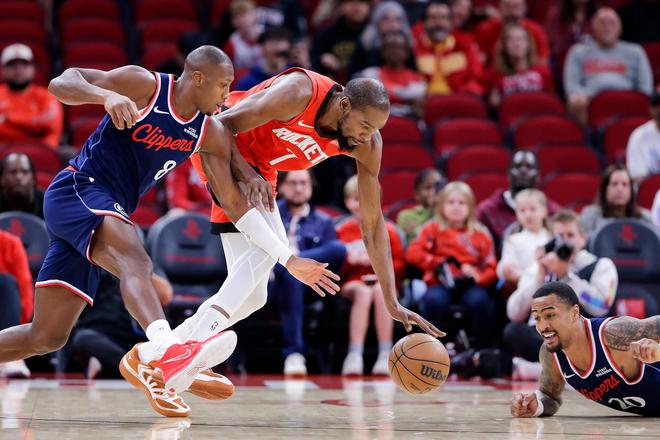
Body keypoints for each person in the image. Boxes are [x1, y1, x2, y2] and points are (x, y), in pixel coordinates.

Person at [0, 46, 337, 418]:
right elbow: (62, 82)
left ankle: (166, 356)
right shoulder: (145, 85)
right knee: (136, 261)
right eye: (223, 85)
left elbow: (233, 202)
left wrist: (280, 247)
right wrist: (105, 96)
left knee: (46, 336)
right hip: (79, 189)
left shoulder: (209, 130)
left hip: (101, 210)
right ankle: (166, 351)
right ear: (198, 78)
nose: (228, 95)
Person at [174, 67, 444, 397]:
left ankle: (159, 351)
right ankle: (181, 354)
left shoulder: (366, 143)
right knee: (267, 255)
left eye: (376, 129)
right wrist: (246, 174)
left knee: (255, 296)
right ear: (344, 105)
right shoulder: (299, 93)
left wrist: (391, 299)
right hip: (220, 143)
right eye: (365, 125)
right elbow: (218, 126)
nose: (368, 135)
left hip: (261, 166)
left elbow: (373, 225)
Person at [510, 282, 660, 417]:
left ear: (574, 313)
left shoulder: (614, 333)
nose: (543, 326)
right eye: (537, 318)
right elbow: (550, 397)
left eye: (550, 315)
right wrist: (537, 406)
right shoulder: (551, 354)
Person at [505, 210, 618, 379]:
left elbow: (601, 306)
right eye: (559, 236)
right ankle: (562, 370)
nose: (565, 241)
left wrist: (567, 276)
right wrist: (539, 277)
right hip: (547, 337)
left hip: (582, 337)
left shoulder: (601, 265)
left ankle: (546, 370)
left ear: (583, 238)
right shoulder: (540, 267)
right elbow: (514, 313)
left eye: (570, 235)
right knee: (513, 331)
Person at [270, 170, 346, 375]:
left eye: (304, 183)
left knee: (338, 248)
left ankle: (291, 262)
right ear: (281, 186)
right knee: (289, 275)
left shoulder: (323, 221)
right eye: (293, 183)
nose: (299, 188)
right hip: (271, 282)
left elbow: (332, 256)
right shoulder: (270, 214)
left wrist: (296, 261)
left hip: (309, 285)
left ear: (311, 187)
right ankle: (294, 352)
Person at [406, 181, 497, 348]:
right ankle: (433, 350)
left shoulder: (481, 233)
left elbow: (492, 267)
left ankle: (482, 351)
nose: (456, 207)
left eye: (462, 203)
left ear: (470, 207)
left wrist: (478, 276)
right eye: (451, 202)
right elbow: (412, 253)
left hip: (470, 284)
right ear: (441, 206)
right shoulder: (431, 228)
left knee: (481, 301)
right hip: (440, 282)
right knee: (432, 301)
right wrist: (439, 263)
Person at [337, 175, 405, 375]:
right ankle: (354, 355)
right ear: (347, 202)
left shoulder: (388, 230)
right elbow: (335, 266)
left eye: (368, 198)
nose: (362, 204)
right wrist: (350, 261)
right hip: (353, 281)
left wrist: (379, 266)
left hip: (384, 282)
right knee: (364, 293)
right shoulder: (342, 231)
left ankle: (385, 354)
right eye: (356, 199)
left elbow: (400, 264)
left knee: (380, 292)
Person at [564, 7, 653, 126]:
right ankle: (584, 136)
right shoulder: (578, 51)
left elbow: (645, 88)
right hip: (590, 100)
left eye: (611, 23)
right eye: (602, 23)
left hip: (627, 99)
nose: (607, 27)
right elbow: (572, 86)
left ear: (620, 28)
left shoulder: (635, 51)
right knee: (576, 101)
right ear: (592, 27)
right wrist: (586, 95)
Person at [477, 150, 560, 247]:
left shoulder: (552, 212)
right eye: (518, 166)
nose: (523, 171)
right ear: (508, 174)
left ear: (538, 175)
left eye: (529, 167)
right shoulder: (487, 211)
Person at [0, 44, 64, 150]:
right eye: (12, 65)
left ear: (32, 69)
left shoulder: (46, 95)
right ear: (3, 70)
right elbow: (43, 125)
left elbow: (51, 124)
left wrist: (8, 118)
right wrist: (32, 130)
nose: (19, 70)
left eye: (24, 65)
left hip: (42, 151)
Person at [412, 1, 484, 96]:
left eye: (443, 18)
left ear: (450, 22)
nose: (438, 23)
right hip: (424, 101)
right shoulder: (415, 48)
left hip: (457, 99)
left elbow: (476, 77)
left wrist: (461, 95)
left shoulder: (465, 45)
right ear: (424, 23)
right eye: (433, 18)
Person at [355, 31, 427, 119]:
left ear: (407, 52)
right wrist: (405, 98)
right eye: (390, 47)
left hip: (408, 120)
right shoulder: (369, 74)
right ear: (382, 51)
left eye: (399, 47)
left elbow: (418, 103)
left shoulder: (417, 78)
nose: (394, 51)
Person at [486, 23, 554, 108]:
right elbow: (494, 103)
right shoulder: (496, 74)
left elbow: (551, 100)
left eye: (520, 39)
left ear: (528, 45)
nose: (516, 44)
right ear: (504, 46)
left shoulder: (542, 71)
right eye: (511, 40)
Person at [497, 189, 552, 288]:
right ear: (516, 214)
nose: (528, 214)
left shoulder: (552, 237)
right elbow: (509, 270)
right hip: (526, 288)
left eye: (533, 209)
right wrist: (532, 280)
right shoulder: (513, 240)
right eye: (522, 210)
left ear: (544, 211)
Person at [580, 164, 653, 237]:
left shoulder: (644, 218)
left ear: (631, 191)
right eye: (614, 184)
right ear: (604, 189)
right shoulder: (591, 215)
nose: (620, 189)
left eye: (625, 184)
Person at [347, 1, 413, 78]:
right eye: (385, 18)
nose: (391, 23)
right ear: (377, 21)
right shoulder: (366, 44)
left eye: (397, 19)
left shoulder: (407, 44)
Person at [474, 0, 550, 66]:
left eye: (516, 7)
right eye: (507, 6)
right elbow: (479, 59)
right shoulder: (485, 29)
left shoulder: (536, 30)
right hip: (494, 75)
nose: (512, 12)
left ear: (524, 9)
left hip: (526, 73)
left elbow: (543, 59)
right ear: (499, 8)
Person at [0, 230, 33, 378]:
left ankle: (10, 355)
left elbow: (25, 295)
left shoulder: (11, 244)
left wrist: (18, 333)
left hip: (5, 323)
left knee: (6, 282)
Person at [311, 0, 371, 82]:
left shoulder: (376, 34)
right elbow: (314, 57)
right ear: (342, 6)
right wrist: (322, 59)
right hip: (332, 83)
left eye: (362, 2)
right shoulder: (328, 32)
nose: (356, 7)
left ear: (369, 7)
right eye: (351, 2)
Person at [235, 27, 292, 91]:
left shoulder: (296, 75)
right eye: (272, 42)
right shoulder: (248, 83)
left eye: (281, 41)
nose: (277, 47)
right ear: (262, 48)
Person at [396, 168, 443, 243]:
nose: (433, 191)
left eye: (437, 187)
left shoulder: (450, 213)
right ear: (417, 193)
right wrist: (432, 206)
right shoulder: (406, 215)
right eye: (428, 187)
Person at [626, 92, 660, 184]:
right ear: (651, 109)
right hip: (649, 189)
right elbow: (638, 178)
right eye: (656, 105)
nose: (659, 109)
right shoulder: (639, 136)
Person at [222, 0, 264, 71]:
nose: (242, 20)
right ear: (232, 21)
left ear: (255, 15)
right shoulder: (231, 44)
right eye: (237, 16)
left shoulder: (268, 35)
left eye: (245, 15)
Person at [0, 153, 45, 219]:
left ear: (33, 178)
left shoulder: (47, 203)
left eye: (25, 172)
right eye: (13, 172)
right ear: (2, 179)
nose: (19, 177)